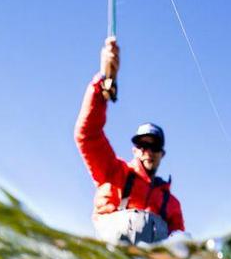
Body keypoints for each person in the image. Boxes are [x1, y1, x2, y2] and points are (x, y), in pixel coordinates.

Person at [74, 37, 185, 245]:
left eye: (154, 146)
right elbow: (87, 134)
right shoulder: (113, 173)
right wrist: (103, 83)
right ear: (134, 150)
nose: (148, 150)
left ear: (162, 153)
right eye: (142, 145)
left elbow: (181, 248)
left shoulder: (172, 205)